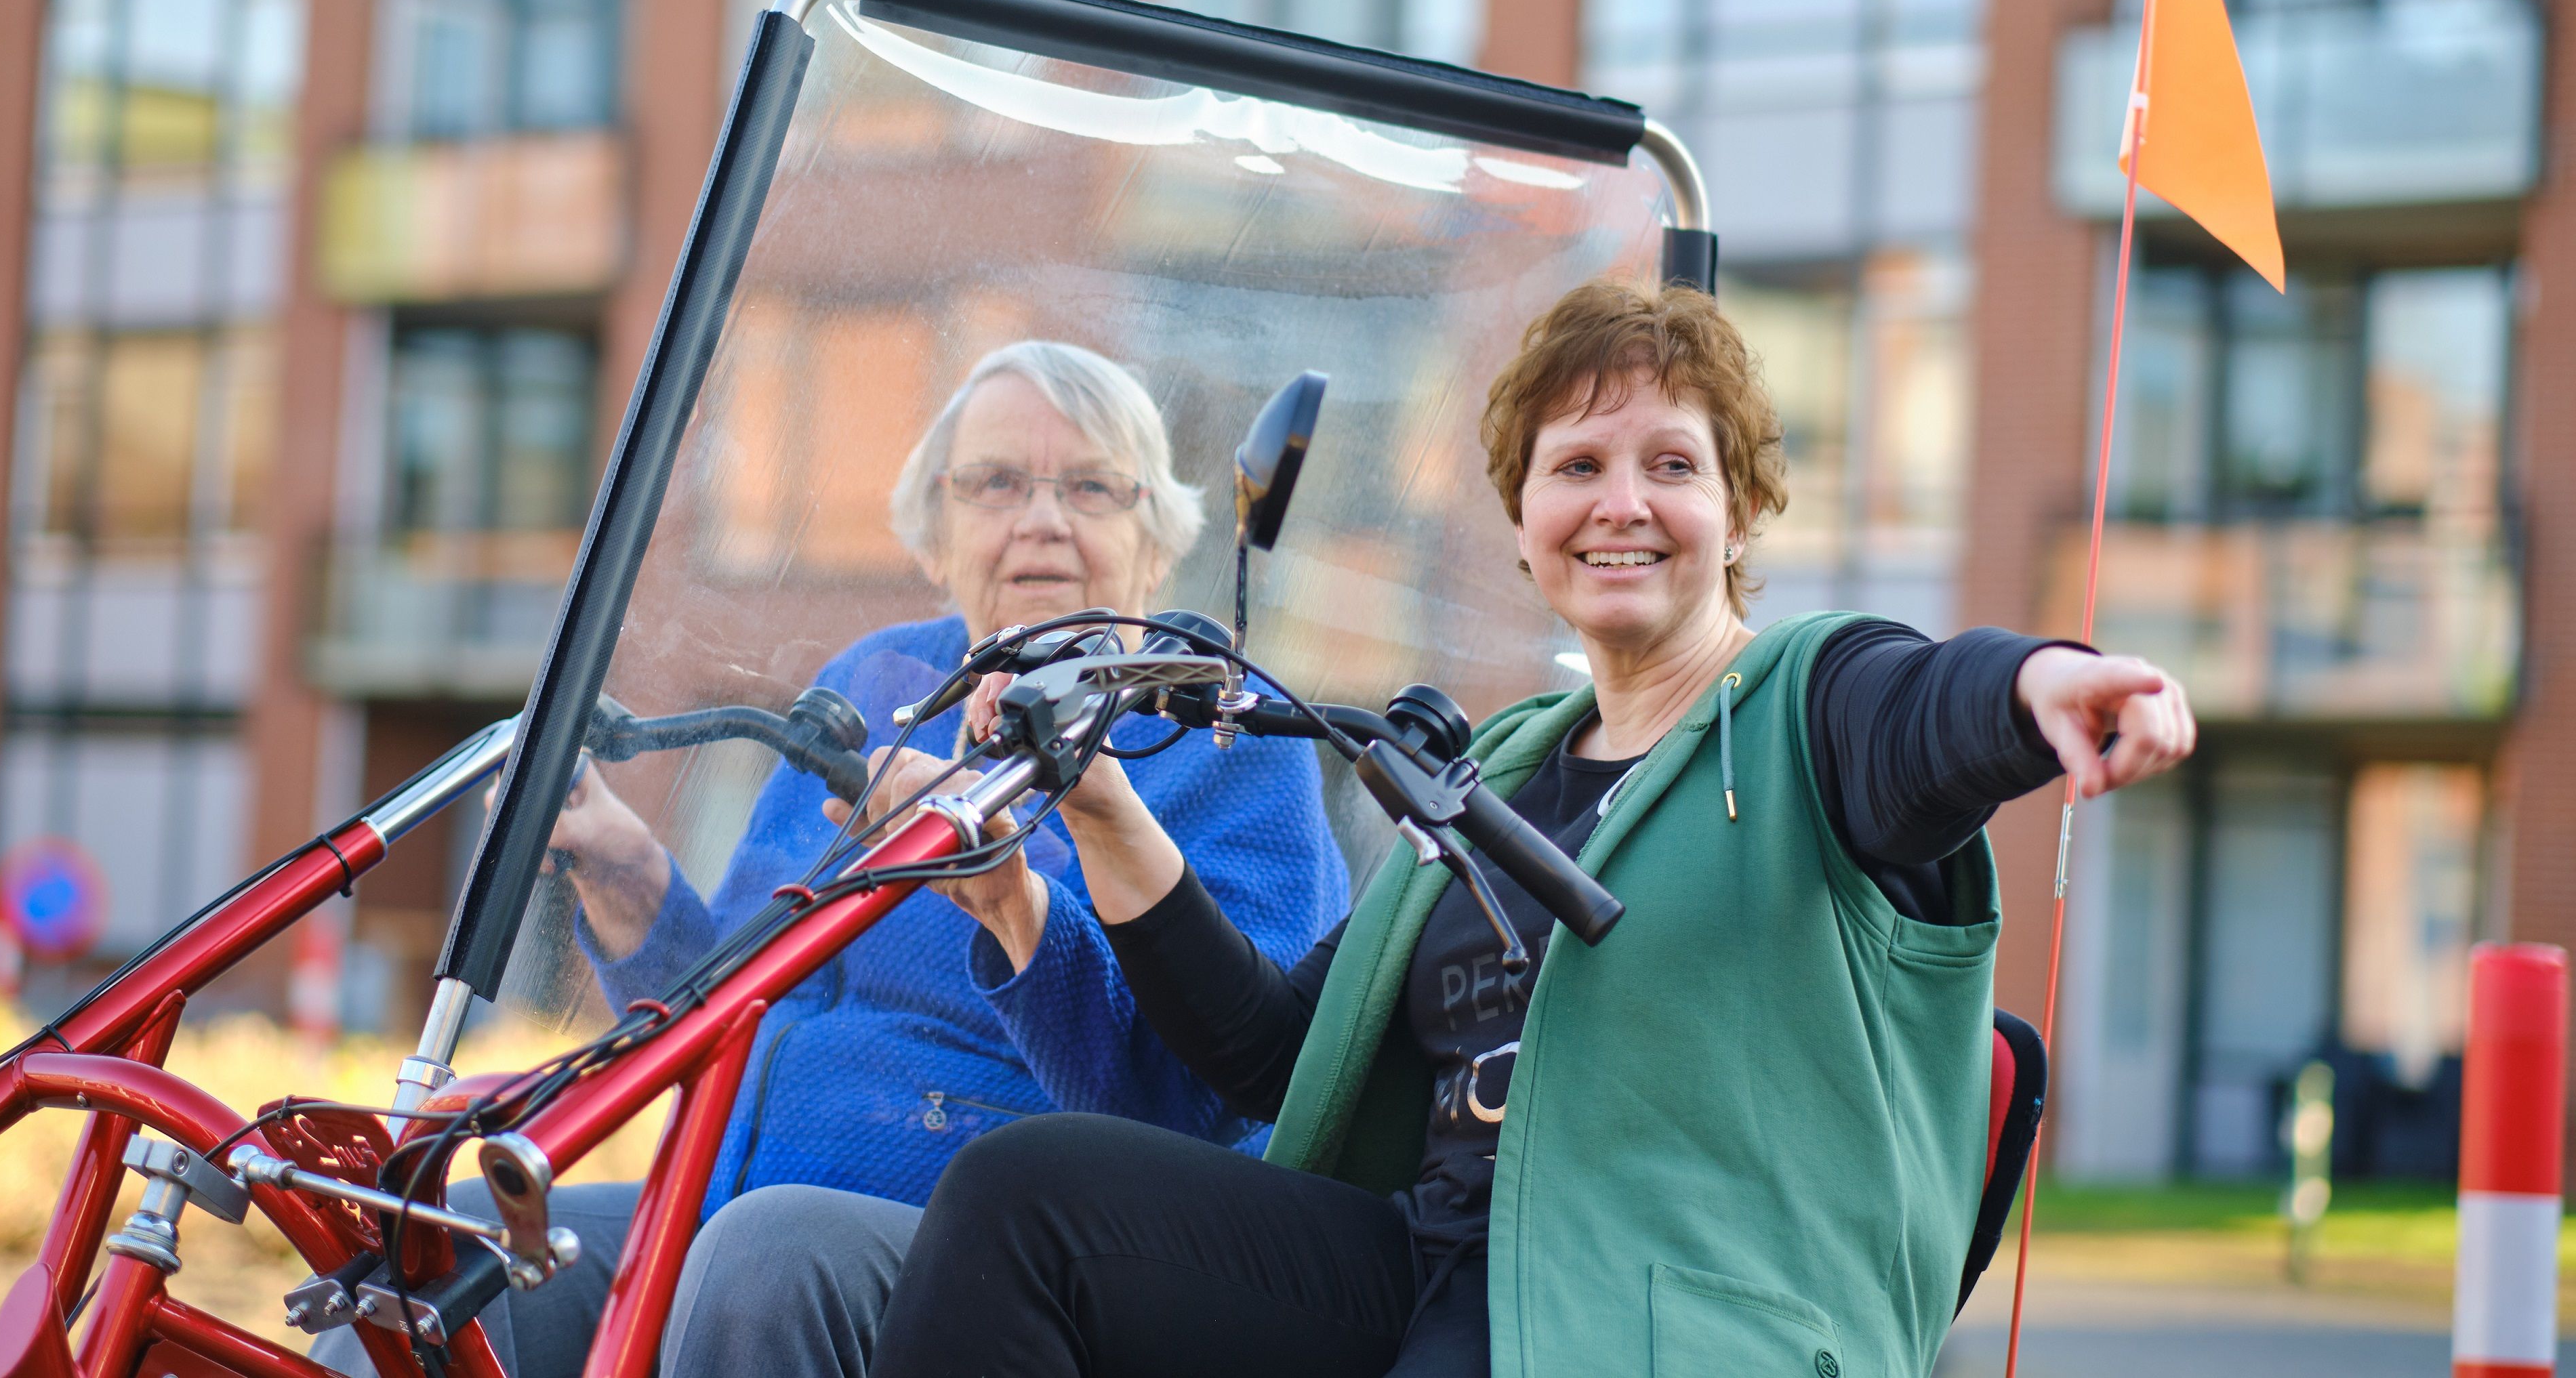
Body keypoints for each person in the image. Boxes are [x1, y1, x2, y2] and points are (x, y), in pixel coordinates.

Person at [862, 280, 2197, 1378]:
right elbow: (1271, 1053)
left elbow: (1925, 708)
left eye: (1670, 463)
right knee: (1019, 1202)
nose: (1621, 500)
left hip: (1659, 1303)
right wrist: (1100, 808)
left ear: (1734, 513)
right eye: (1575, 466)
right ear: (1523, 522)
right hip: (1433, 1263)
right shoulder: (1498, 767)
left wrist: (2037, 687)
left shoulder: (1807, 702)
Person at [317, 341, 1348, 1378]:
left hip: (1004, 1265)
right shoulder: (882, 677)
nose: (1043, 518)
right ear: (934, 535)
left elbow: (1215, 1097)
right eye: (996, 483)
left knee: (768, 1260)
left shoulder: (1215, 731)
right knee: (422, 1262)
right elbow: (737, 990)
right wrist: (624, 870)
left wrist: (1013, 905)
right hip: (730, 1202)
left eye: (1091, 486)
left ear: (1155, 541)